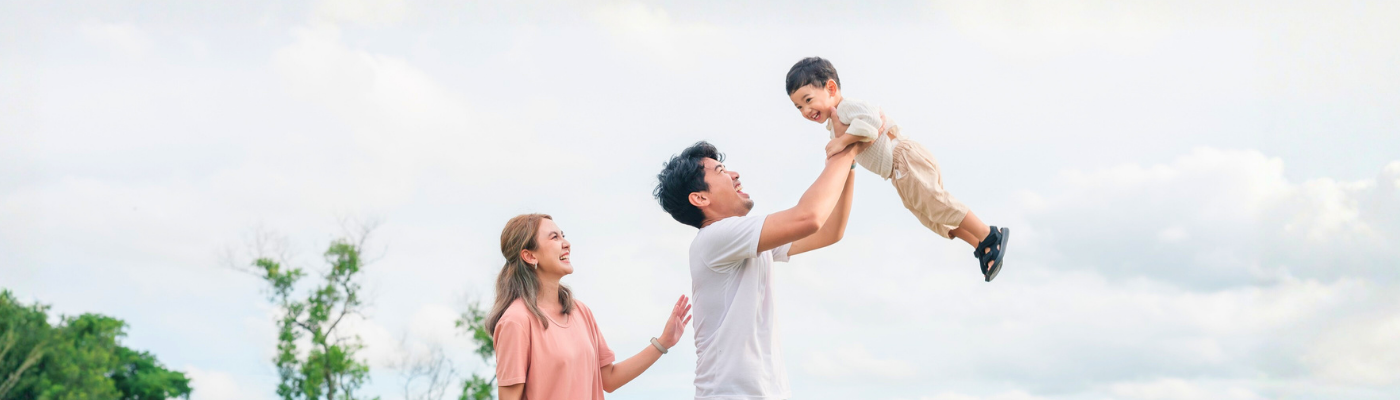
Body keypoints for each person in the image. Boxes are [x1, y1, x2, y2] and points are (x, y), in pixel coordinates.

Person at [654, 140, 861, 399]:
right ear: (700, 198)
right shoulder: (716, 237)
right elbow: (809, 217)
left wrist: (849, 163)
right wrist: (845, 150)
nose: (735, 174)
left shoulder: (740, 242)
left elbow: (830, 231)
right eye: (720, 171)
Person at [785, 56, 1012, 282]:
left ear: (831, 88)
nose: (805, 110)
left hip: (903, 157)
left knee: (936, 202)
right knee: (931, 217)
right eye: (799, 107)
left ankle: (989, 235)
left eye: (808, 99)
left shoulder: (845, 108)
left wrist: (843, 142)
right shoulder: (836, 125)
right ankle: (980, 245)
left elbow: (873, 123)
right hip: (896, 173)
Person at [487, 213, 693, 400]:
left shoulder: (580, 312)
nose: (566, 243)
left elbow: (609, 379)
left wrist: (664, 342)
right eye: (554, 237)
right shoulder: (516, 321)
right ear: (530, 256)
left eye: (563, 235)